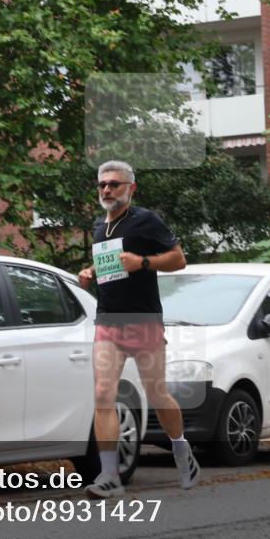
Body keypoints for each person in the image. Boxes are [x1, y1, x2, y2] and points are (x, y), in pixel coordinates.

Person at [78, 160, 200, 498]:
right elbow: (110, 268)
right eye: (102, 184)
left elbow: (178, 259)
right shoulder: (99, 227)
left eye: (114, 184)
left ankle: (180, 449)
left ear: (130, 188)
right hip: (108, 322)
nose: (106, 190)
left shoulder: (146, 220)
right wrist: (90, 273)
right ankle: (109, 475)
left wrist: (143, 262)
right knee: (103, 393)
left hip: (144, 321)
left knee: (158, 394)